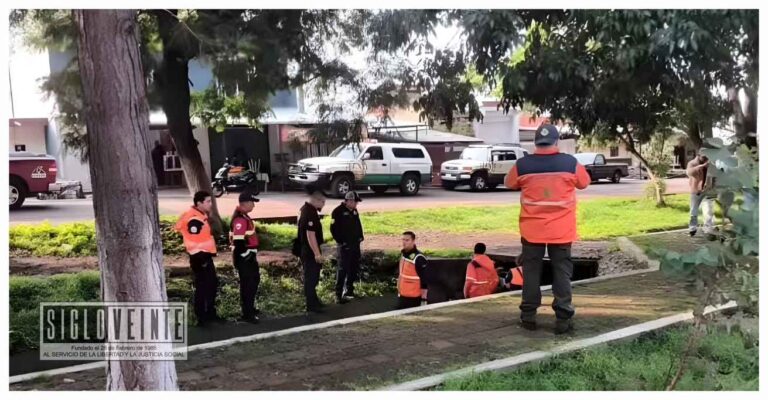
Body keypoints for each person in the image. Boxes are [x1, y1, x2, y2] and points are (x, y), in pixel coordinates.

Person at [505, 124, 590, 335]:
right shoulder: (570, 163)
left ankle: (528, 317)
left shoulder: (523, 164)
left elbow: (509, 183)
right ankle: (562, 319)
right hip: (561, 231)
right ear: (556, 142)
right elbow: (584, 183)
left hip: (532, 230)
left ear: (535, 143)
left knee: (531, 272)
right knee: (561, 272)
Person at [174, 191, 220, 326]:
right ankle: (202, 317)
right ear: (199, 203)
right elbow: (194, 239)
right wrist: (202, 258)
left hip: (204, 255)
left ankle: (209, 314)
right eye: (208, 202)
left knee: (211, 284)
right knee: (203, 287)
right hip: (199, 257)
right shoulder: (194, 219)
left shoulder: (200, 215)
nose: (211, 204)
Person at [230, 191, 261, 323]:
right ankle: (247, 314)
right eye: (252, 202)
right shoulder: (240, 219)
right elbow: (238, 242)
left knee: (253, 282)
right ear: (245, 203)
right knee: (248, 285)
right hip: (244, 258)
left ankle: (250, 308)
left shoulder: (243, 216)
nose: (254, 205)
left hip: (248, 257)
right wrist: (247, 255)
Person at [330, 191, 364, 304]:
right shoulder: (337, 212)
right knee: (342, 269)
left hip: (355, 245)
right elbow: (333, 229)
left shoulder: (354, 211)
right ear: (349, 201)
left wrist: (360, 236)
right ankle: (338, 294)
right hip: (344, 246)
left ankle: (349, 291)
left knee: (353, 268)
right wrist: (341, 242)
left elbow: (358, 224)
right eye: (355, 202)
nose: (356, 204)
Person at [298, 191, 327, 313]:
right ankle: (311, 305)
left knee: (312, 277)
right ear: (317, 200)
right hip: (309, 250)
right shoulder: (310, 212)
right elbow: (310, 234)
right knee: (311, 277)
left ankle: (314, 300)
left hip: (306, 248)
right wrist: (317, 254)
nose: (324, 205)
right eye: (323, 202)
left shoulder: (305, 209)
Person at [686, 148, 716, 237]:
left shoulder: (711, 164)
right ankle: (692, 228)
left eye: (707, 156)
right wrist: (702, 166)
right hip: (696, 191)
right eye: (704, 157)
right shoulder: (692, 163)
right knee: (693, 211)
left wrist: (713, 187)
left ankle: (708, 228)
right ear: (698, 155)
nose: (706, 158)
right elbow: (689, 172)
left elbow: (714, 176)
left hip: (708, 191)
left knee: (708, 211)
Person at [397, 231, 428, 309]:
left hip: (413, 299)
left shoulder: (419, 258)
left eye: (407, 240)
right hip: (402, 295)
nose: (404, 242)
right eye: (403, 240)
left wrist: (424, 299)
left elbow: (425, 280)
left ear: (413, 241)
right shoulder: (403, 255)